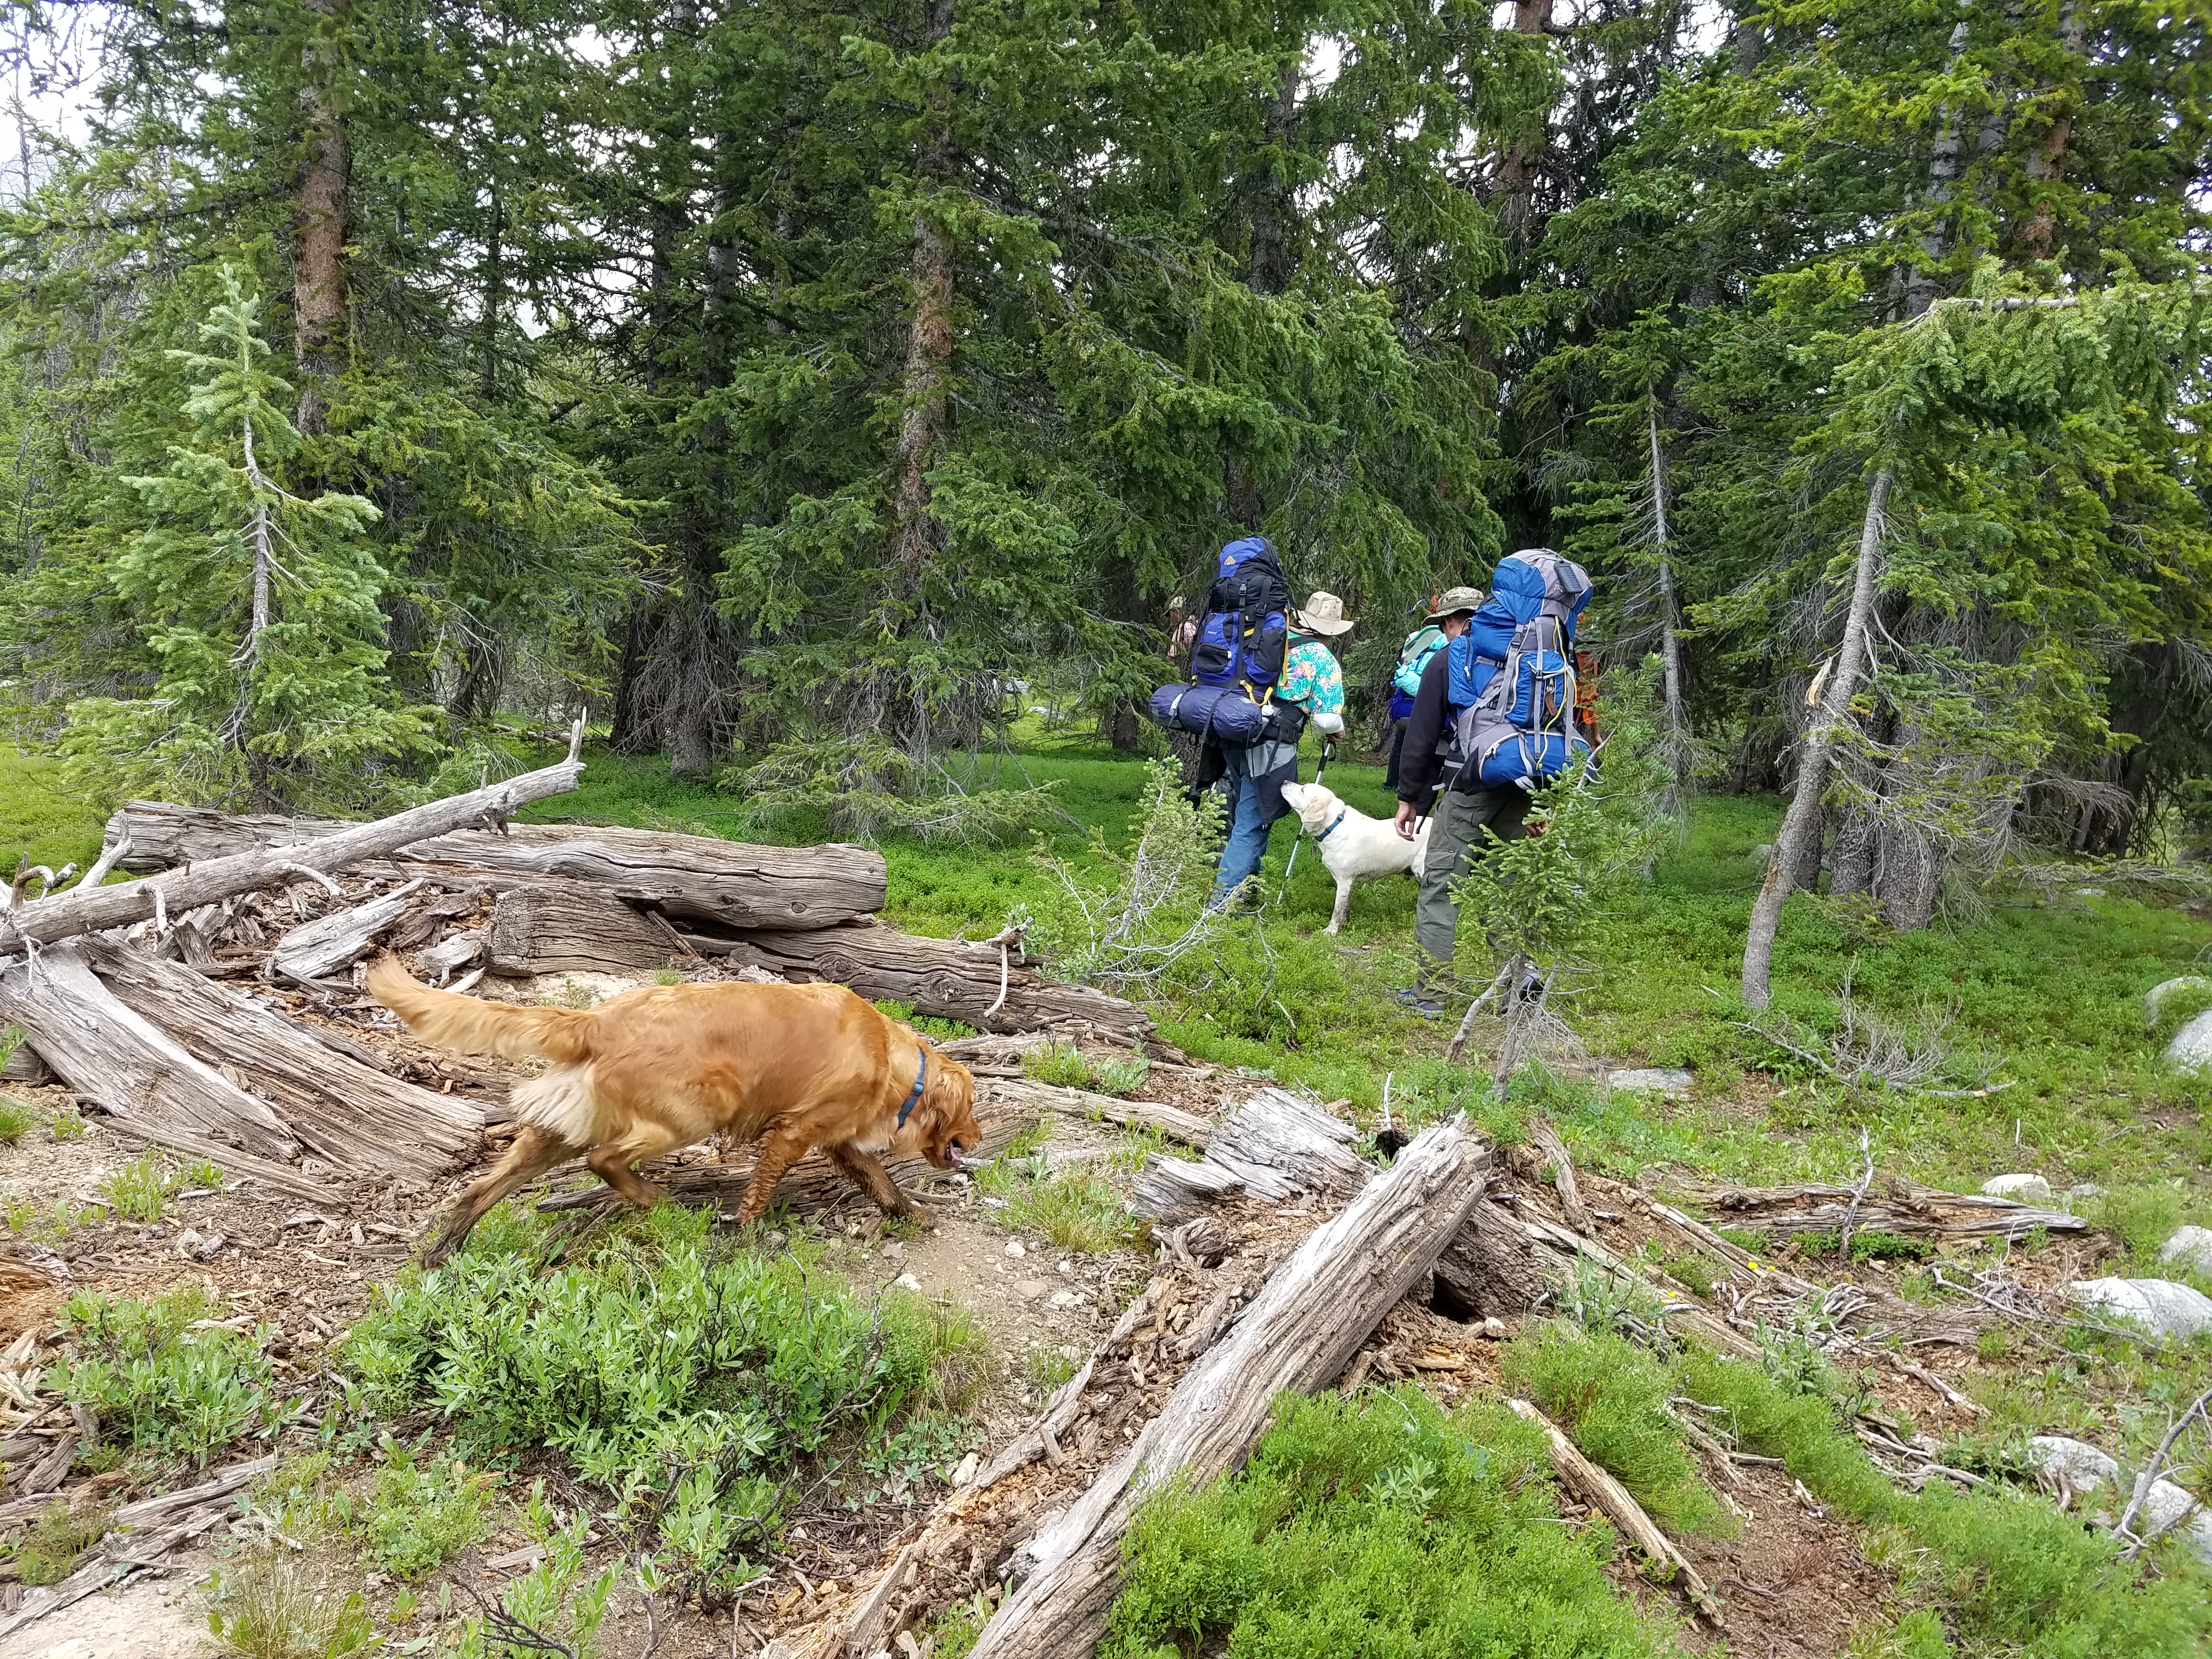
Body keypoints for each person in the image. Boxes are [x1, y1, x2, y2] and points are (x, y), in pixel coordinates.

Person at [1390, 585, 1519, 1017]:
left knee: (1440, 889)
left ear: (1449, 621)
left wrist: (1411, 797)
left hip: (1469, 786)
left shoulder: (1449, 658)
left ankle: (1431, 995)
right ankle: (1516, 998)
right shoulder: (1521, 655)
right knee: (1508, 889)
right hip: (1523, 785)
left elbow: (1422, 736)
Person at [1211, 590, 1354, 906]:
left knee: (1245, 808)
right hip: (1271, 745)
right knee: (1254, 820)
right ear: (1330, 631)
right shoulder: (1321, 658)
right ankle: (1220, 905)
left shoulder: (1267, 636)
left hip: (1235, 730)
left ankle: (1248, 890)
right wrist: (1338, 731)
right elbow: (1328, 720)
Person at [1384, 595, 1458, 791]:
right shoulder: (1451, 648)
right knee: (1437, 747)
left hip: (1405, 709)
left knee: (1403, 744)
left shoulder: (1417, 639)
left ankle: (1394, 783)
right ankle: (1437, 789)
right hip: (1434, 712)